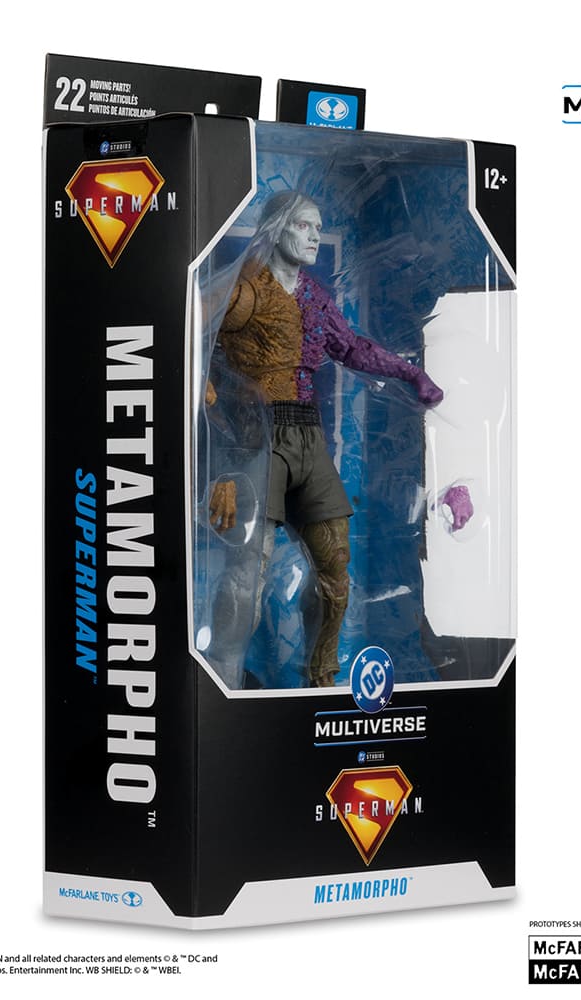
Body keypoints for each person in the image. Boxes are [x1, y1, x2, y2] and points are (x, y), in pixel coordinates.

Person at [206, 191, 471, 687]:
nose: (312, 236)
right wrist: (204, 389)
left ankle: (321, 677)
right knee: (248, 571)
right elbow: (192, 331)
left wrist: (410, 373)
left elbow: (351, 348)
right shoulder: (246, 290)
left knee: (335, 570)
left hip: (308, 439)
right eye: (303, 226)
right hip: (256, 439)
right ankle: (219, 673)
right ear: (277, 229)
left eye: (317, 227)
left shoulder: (313, 297)